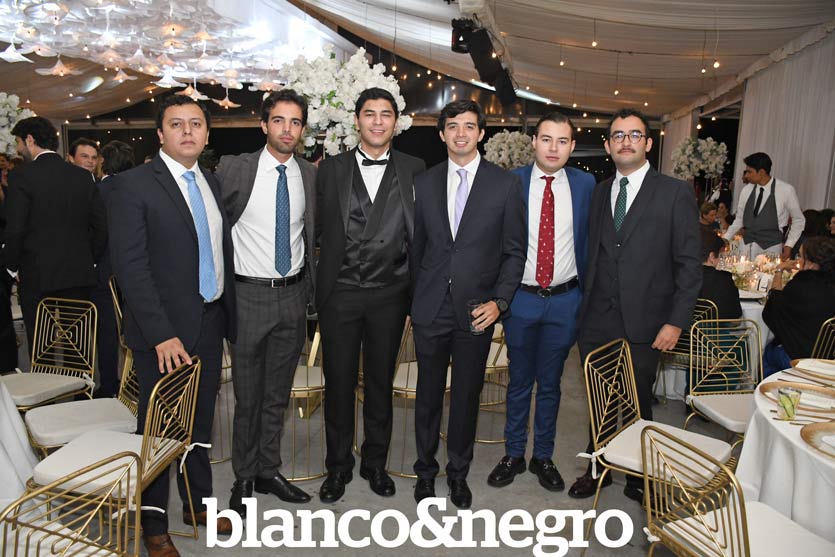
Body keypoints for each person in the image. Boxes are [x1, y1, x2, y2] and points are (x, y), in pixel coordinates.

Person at [107, 96, 236, 557]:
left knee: (199, 422)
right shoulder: (132, 185)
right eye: (177, 124)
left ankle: (198, 504)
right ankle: (153, 524)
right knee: (160, 430)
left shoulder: (210, 182)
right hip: (164, 334)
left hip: (210, 320)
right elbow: (131, 269)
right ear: (160, 134)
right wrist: (161, 333)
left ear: (206, 133)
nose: (187, 131)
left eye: (196, 124)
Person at [568, 108, 701, 503]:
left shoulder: (674, 193)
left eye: (634, 135)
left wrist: (676, 321)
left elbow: (689, 265)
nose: (626, 141)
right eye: (618, 135)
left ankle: (640, 474)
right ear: (608, 146)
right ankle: (600, 467)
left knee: (637, 401)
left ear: (648, 143)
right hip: (597, 318)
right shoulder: (600, 191)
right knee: (599, 398)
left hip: (647, 320)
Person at [411, 99, 526, 509]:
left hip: (477, 310)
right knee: (427, 395)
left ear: (481, 133)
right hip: (430, 308)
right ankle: (425, 472)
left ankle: (458, 474)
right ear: (442, 133)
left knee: (465, 397)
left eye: (469, 126)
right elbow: (417, 248)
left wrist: (500, 302)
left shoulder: (505, 185)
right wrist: (414, 301)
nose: (461, 133)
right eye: (453, 126)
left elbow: (515, 252)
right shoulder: (425, 182)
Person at [315, 87, 425, 503]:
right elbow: (316, 228)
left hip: (390, 294)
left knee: (380, 384)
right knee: (338, 383)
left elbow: (422, 233)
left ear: (396, 122)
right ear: (357, 120)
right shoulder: (332, 168)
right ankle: (338, 466)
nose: (378, 121)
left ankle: (375, 464)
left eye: (385, 114)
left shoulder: (415, 168)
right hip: (340, 293)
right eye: (369, 113)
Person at [215, 90, 316, 514]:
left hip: (292, 296)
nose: (287, 130)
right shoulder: (234, 169)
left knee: (277, 395)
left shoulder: (310, 175)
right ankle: (243, 476)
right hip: (247, 296)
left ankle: (268, 470)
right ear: (263, 125)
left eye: (295, 122)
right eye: (278, 120)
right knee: (248, 397)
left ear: (303, 129)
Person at [486, 112, 593, 493]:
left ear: (572, 146)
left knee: (550, 384)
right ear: (534, 142)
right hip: (521, 299)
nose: (553, 148)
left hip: (565, 300)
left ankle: (542, 456)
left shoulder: (585, 185)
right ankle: (514, 453)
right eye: (546, 139)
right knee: (518, 380)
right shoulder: (511, 183)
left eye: (562, 141)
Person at [4, 116, 107, 354]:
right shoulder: (82, 176)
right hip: (78, 272)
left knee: (43, 347)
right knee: (78, 345)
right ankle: (80, 379)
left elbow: (16, 228)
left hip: (36, 273)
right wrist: (89, 258)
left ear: (30, 140)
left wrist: (11, 266)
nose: (18, 149)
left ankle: (46, 380)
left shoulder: (21, 176)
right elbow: (101, 226)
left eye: (19, 142)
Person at [91, 140, 136, 398]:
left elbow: (96, 232)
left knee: (106, 331)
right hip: (135, 269)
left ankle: (109, 383)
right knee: (137, 326)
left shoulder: (98, 191)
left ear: (104, 162)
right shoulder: (138, 188)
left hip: (105, 270)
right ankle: (138, 381)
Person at [762, 236, 835, 376]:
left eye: (801, 256)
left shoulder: (802, 284)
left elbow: (773, 305)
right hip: (829, 358)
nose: (798, 260)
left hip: (800, 358)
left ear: (812, 264)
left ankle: (769, 387)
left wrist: (779, 270)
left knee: (767, 350)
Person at [723, 152, 804, 260]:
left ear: (761, 172)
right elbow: (740, 219)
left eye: (749, 172)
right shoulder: (746, 190)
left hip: (771, 249)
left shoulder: (786, 190)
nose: (746, 176)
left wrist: (789, 244)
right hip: (746, 246)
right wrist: (726, 238)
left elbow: (799, 219)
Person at [699, 230, 741, 320]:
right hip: (717, 329)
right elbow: (735, 319)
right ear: (711, 257)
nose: (719, 260)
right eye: (719, 256)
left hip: (687, 328)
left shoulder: (684, 276)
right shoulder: (724, 279)